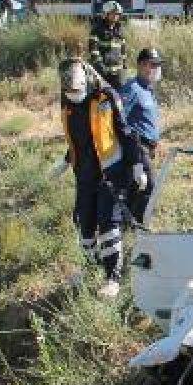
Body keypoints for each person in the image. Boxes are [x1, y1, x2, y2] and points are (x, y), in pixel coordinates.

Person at [57, 59, 146, 299]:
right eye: (68, 91)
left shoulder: (106, 98)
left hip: (110, 173)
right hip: (84, 173)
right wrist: (65, 161)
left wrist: (137, 164)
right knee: (84, 224)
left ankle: (112, 278)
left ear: (87, 81)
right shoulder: (67, 101)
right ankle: (91, 268)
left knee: (108, 224)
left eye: (76, 90)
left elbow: (125, 132)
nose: (72, 95)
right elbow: (80, 138)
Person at [119, 47, 164, 220]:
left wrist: (156, 142)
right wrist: (134, 149)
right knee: (150, 186)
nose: (155, 69)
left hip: (148, 147)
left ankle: (126, 222)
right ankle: (138, 225)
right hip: (137, 147)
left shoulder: (148, 89)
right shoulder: (132, 88)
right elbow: (120, 119)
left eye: (157, 65)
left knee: (135, 187)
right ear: (141, 66)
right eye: (152, 65)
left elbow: (148, 119)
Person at [88, 0, 127, 89]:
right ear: (106, 14)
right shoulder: (97, 30)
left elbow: (123, 51)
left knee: (119, 99)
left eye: (117, 14)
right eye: (113, 13)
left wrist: (124, 67)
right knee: (101, 99)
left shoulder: (120, 31)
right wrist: (101, 68)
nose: (115, 16)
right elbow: (94, 51)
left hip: (118, 75)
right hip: (102, 74)